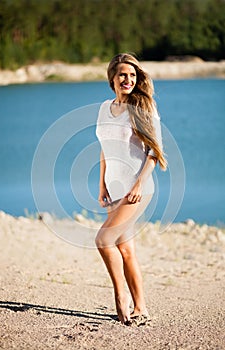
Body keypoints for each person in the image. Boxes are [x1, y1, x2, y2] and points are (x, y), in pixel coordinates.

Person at [95, 53, 167, 326]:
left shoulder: (143, 107)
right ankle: (141, 307)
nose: (128, 80)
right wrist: (101, 184)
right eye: (123, 75)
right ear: (112, 78)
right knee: (125, 250)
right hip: (113, 189)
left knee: (103, 241)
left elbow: (154, 152)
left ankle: (120, 296)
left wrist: (138, 184)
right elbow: (104, 147)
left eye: (133, 75)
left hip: (136, 189)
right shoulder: (104, 107)